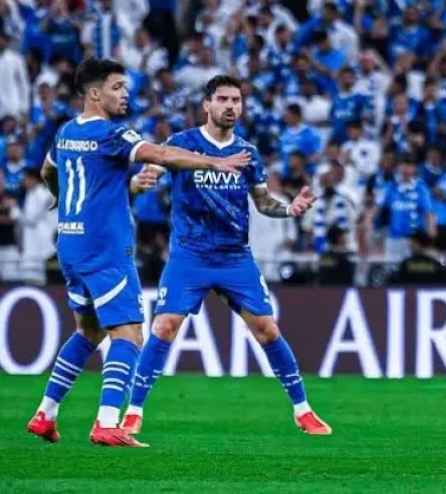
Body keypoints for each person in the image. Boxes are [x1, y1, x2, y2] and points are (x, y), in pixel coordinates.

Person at [27, 59, 249, 448]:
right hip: (105, 250)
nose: (125, 94)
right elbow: (162, 155)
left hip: (71, 245)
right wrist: (214, 160)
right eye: (116, 87)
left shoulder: (66, 132)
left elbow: (49, 171)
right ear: (94, 93)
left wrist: (65, 198)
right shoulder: (113, 133)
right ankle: (107, 422)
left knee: (88, 331)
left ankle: (45, 414)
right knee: (129, 334)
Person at [122, 75, 332, 436]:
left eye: (236, 100)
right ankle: (133, 411)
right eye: (223, 99)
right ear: (207, 105)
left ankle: (303, 411)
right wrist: (141, 181)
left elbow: (263, 203)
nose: (231, 106)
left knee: (268, 330)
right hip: (190, 255)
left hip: (235, 257)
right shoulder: (182, 143)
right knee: (163, 326)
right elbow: (150, 171)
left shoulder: (248, 153)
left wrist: (289, 209)